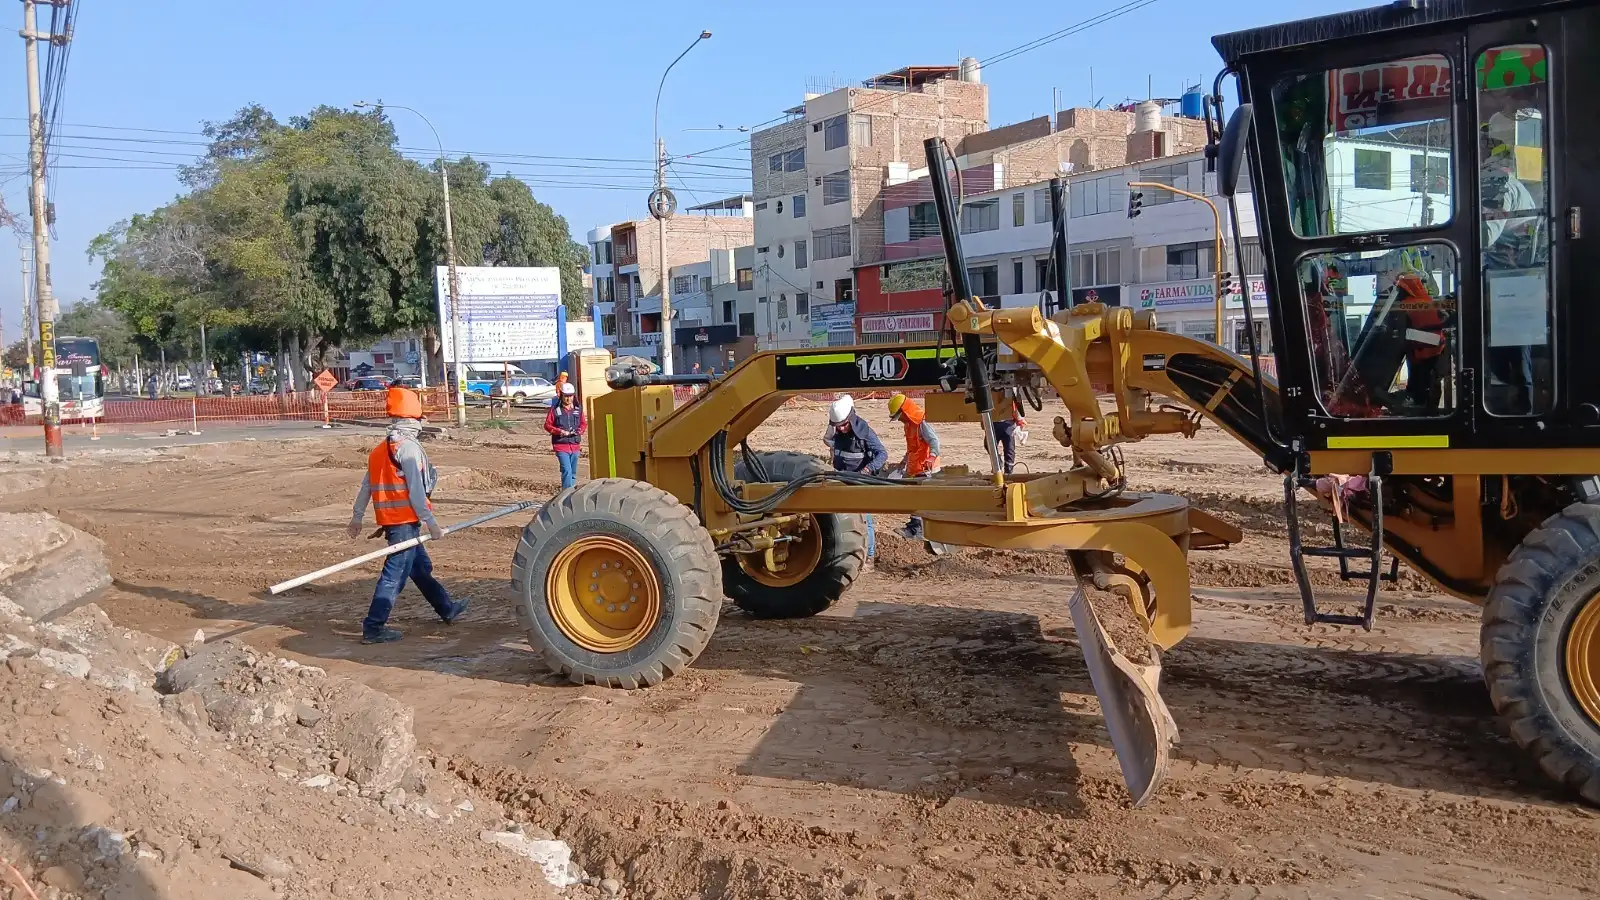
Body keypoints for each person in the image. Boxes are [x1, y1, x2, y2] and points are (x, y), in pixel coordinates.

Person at [347, 386, 467, 644]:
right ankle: (373, 628)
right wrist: (432, 524)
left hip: (396, 522)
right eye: (420, 417)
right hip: (402, 522)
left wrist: (357, 517)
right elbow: (416, 491)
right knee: (394, 575)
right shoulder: (408, 449)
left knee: (420, 569)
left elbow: (366, 485)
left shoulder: (380, 450)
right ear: (412, 419)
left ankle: (447, 608)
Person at [824, 395, 887, 570]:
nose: (842, 429)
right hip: (841, 480)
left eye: (844, 425)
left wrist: (865, 471)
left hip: (859, 482)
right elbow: (829, 442)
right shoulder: (837, 432)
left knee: (864, 519)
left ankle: (869, 558)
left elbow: (882, 454)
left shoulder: (865, 432)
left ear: (851, 419)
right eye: (839, 426)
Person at [886, 393, 941, 540]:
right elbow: (912, 447)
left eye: (900, 416)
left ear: (905, 412)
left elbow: (935, 441)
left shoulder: (921, 423)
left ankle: (918, 530)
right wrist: (904, 461)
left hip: (926, 469)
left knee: (921, 500)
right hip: (916, 468)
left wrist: (932, 457)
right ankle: (917, 528)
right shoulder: (909, 425)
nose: (900, 420)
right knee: (916, 499)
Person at [545, 381, 586, 490]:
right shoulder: (555, 410)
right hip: (561, 446)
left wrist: (580, 430)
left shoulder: (578, 409)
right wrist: (559, 431)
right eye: (566, 396)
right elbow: (547, 425)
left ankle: (570, 493)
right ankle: (566, 494)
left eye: (570, 396)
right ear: (561, 396)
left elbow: (583, 423)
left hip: (575, 445)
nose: (569, 399)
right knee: (566, 470)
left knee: (572, 472)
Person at [992, 391, 1027, 476]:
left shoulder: (1012, 390)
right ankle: (998, 463)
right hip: (994, 422)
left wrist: (1020, 420)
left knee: (1009, 448)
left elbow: (1018, 403)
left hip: (1008, 422)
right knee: (990, 446)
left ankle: (1008, 471)